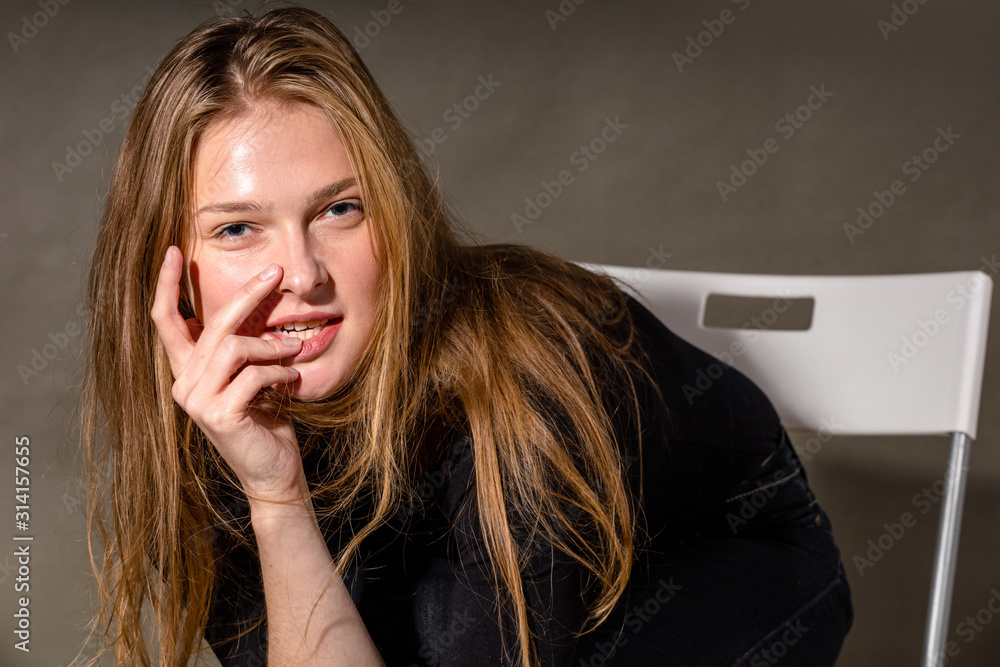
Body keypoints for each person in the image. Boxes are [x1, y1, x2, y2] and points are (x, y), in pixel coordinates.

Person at [80, 7, 852, 666]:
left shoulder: (520, 382)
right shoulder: (211, 421)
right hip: (470, 563)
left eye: (340, 210)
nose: (303, 273)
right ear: (173, 273)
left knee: (433, 623)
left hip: (722, 553)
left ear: (396, 209)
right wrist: (274, 493)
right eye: (240, 228)